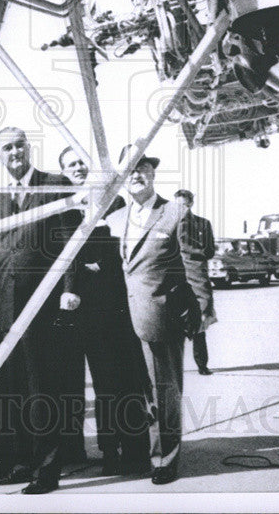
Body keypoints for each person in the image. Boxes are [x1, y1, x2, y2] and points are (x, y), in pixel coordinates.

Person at [0, 127, 78, 495]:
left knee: (42, 388)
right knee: (14, 388)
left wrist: (70, 291)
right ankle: (22, 462)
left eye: (19, 145)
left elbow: (72, 241)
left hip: (42, 303)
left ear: (29, 147)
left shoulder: (54, 184)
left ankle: (47, 469)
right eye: (7, 148)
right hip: (7, 308)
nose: (15, 152)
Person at [104, 147, 202, 485]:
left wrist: (198, 312)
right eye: (129, 170)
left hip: (162, 315)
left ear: (153, 174)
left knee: (164, 392)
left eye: (142, 168)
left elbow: (194, 266)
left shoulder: (175, 213)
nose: (136, 175)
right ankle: (136, 454)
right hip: (123, 317)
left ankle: (165, 459)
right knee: (133, 391)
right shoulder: (116, 218)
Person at [58, 146, 150, 475]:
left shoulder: (115, 201)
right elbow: (65, 256)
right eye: (70, 166)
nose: (78, 168)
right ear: (63, 173)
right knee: (102, 385)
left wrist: (97, 262)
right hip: (84, 311)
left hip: (117, 304)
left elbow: (124, 249)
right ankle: (110, 450)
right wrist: (85, 267)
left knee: (126, 380)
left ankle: (137, 451)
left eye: (81, 162)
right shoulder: (63, 210)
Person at [174, 189, 217, 375]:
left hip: (197, 274)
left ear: (190, 204)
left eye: (183, 204)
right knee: (176, 322)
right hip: (175, 275)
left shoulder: (203, 223)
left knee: (200, 317)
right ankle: (174, 366)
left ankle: (202, 364)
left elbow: (210, 250)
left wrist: (197, 256)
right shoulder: (169, 224)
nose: (180, 209)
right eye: (177, 205)